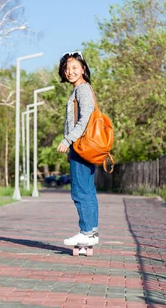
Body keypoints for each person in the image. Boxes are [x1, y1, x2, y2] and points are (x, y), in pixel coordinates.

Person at [57, 51, 99, 247]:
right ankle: (91, 232)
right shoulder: (80, 89)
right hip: (82, 147)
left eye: (74, 67)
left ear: (83, 69)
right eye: (67, 68)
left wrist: (67, 141)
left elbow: (85, 119)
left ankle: (86, 231)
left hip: (82, 146)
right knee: (87, 190)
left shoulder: (82, 89)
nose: (70, 71)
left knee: (80, 191)